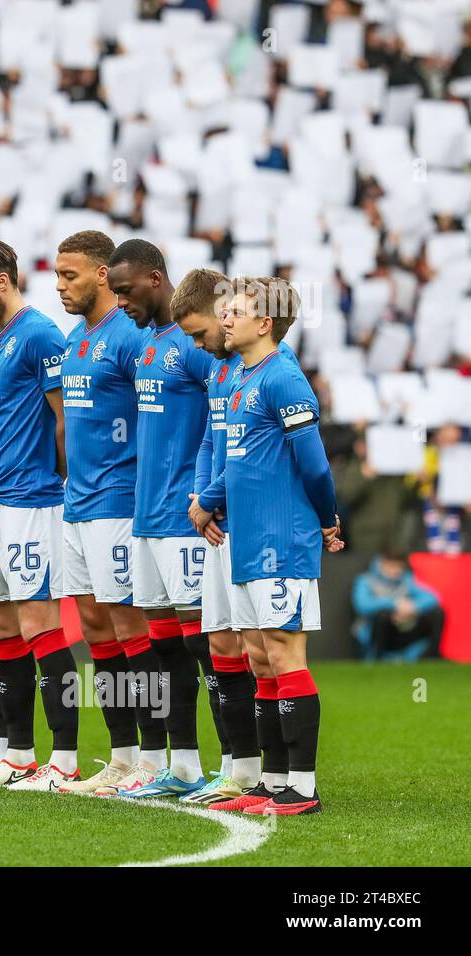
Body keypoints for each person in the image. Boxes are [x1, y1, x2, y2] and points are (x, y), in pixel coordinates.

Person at [193, 276, 343, 815]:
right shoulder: (238, 378)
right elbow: (237, 461)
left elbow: (315, 464)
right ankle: (272, 778)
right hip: (245, 537)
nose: (224, 318)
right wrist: (208, 501)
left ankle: (302, 786)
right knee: (259, 656)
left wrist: (326, 519)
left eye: (235, 311)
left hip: (282, 538)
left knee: (283, 650)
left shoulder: (283, 379)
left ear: (266, 323)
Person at [0, 237, 81, 791]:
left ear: (3, 280)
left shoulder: (41, 334)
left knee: (39, 624)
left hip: (31, 499)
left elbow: (64, 417)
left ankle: (66, 760)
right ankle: (18, 754)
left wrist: (61, 483)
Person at [100, 239, 214, 799]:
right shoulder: (146, 345)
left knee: (204, 645)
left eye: (126, 290)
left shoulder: (194, 348)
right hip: (145, 517)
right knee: (163, 647)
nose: (119, 301)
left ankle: (244, 765)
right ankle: (185, 765)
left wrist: (207, 493)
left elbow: (223, 418)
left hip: (184, 518)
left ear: (156, 278)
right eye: (115, 292)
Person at [48, 231, 156, 796]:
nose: (60, 285)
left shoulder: (131, 336)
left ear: (101, 274)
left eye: (70, 275)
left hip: (119, 500)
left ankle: (156, 756)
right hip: (77, 501)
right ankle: (122, 754)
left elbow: (161, 412)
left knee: (131, 625)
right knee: (94, 627)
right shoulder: (74, 337)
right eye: (57, 276)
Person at [173, 269, 265, 805]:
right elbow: (211, 440)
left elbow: (249, 449)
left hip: (253, 523)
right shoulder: (219, 373)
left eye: (199, 330)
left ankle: (280, 774)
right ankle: (241, 768)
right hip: (215, 525)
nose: (199, 342)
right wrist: (200, 497)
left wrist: (211, 499)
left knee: (261, 648)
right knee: (222, 643)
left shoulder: (264, 370)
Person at [352, 551, 444, 661]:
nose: (396, 570)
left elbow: (432, 597)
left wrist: (413, 606)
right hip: (378, 633)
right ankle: (377, 660)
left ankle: (432, 657)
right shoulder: (366, 581)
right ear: (380, 565)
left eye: (399, 566)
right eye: (391, 566)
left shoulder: (406, 580)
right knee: (383, 616)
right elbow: (362, 605)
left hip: (405, 628)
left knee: (437, 613)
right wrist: (395, 604)